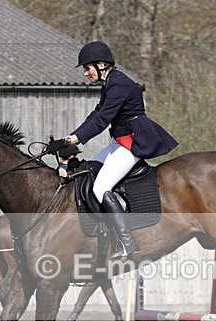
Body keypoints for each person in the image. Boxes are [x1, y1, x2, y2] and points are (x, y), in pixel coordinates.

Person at [64, 41, 178, 259]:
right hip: (120, 141)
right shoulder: (110, 83)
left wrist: (77, 138)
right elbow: (96, 114)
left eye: (87, 68)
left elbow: (102, 120)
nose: (86, 74)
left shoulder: (118, 86)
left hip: (133, 142)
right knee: (89, 170)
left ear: (101, 65)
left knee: (101, 188)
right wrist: (71, 137)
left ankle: (127, 242)